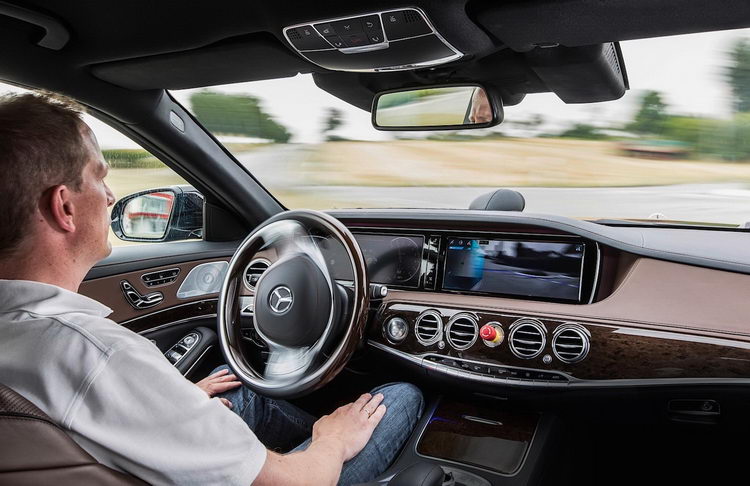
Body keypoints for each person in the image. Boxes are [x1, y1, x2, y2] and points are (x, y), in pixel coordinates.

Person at [0, 93, 424, 485]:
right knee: (401, 397)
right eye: (99, 177)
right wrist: (330, 440)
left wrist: (170, 403)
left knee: (237, 386)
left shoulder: (28, 339)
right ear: (65, 206)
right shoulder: (96, 356)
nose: (110, 195)